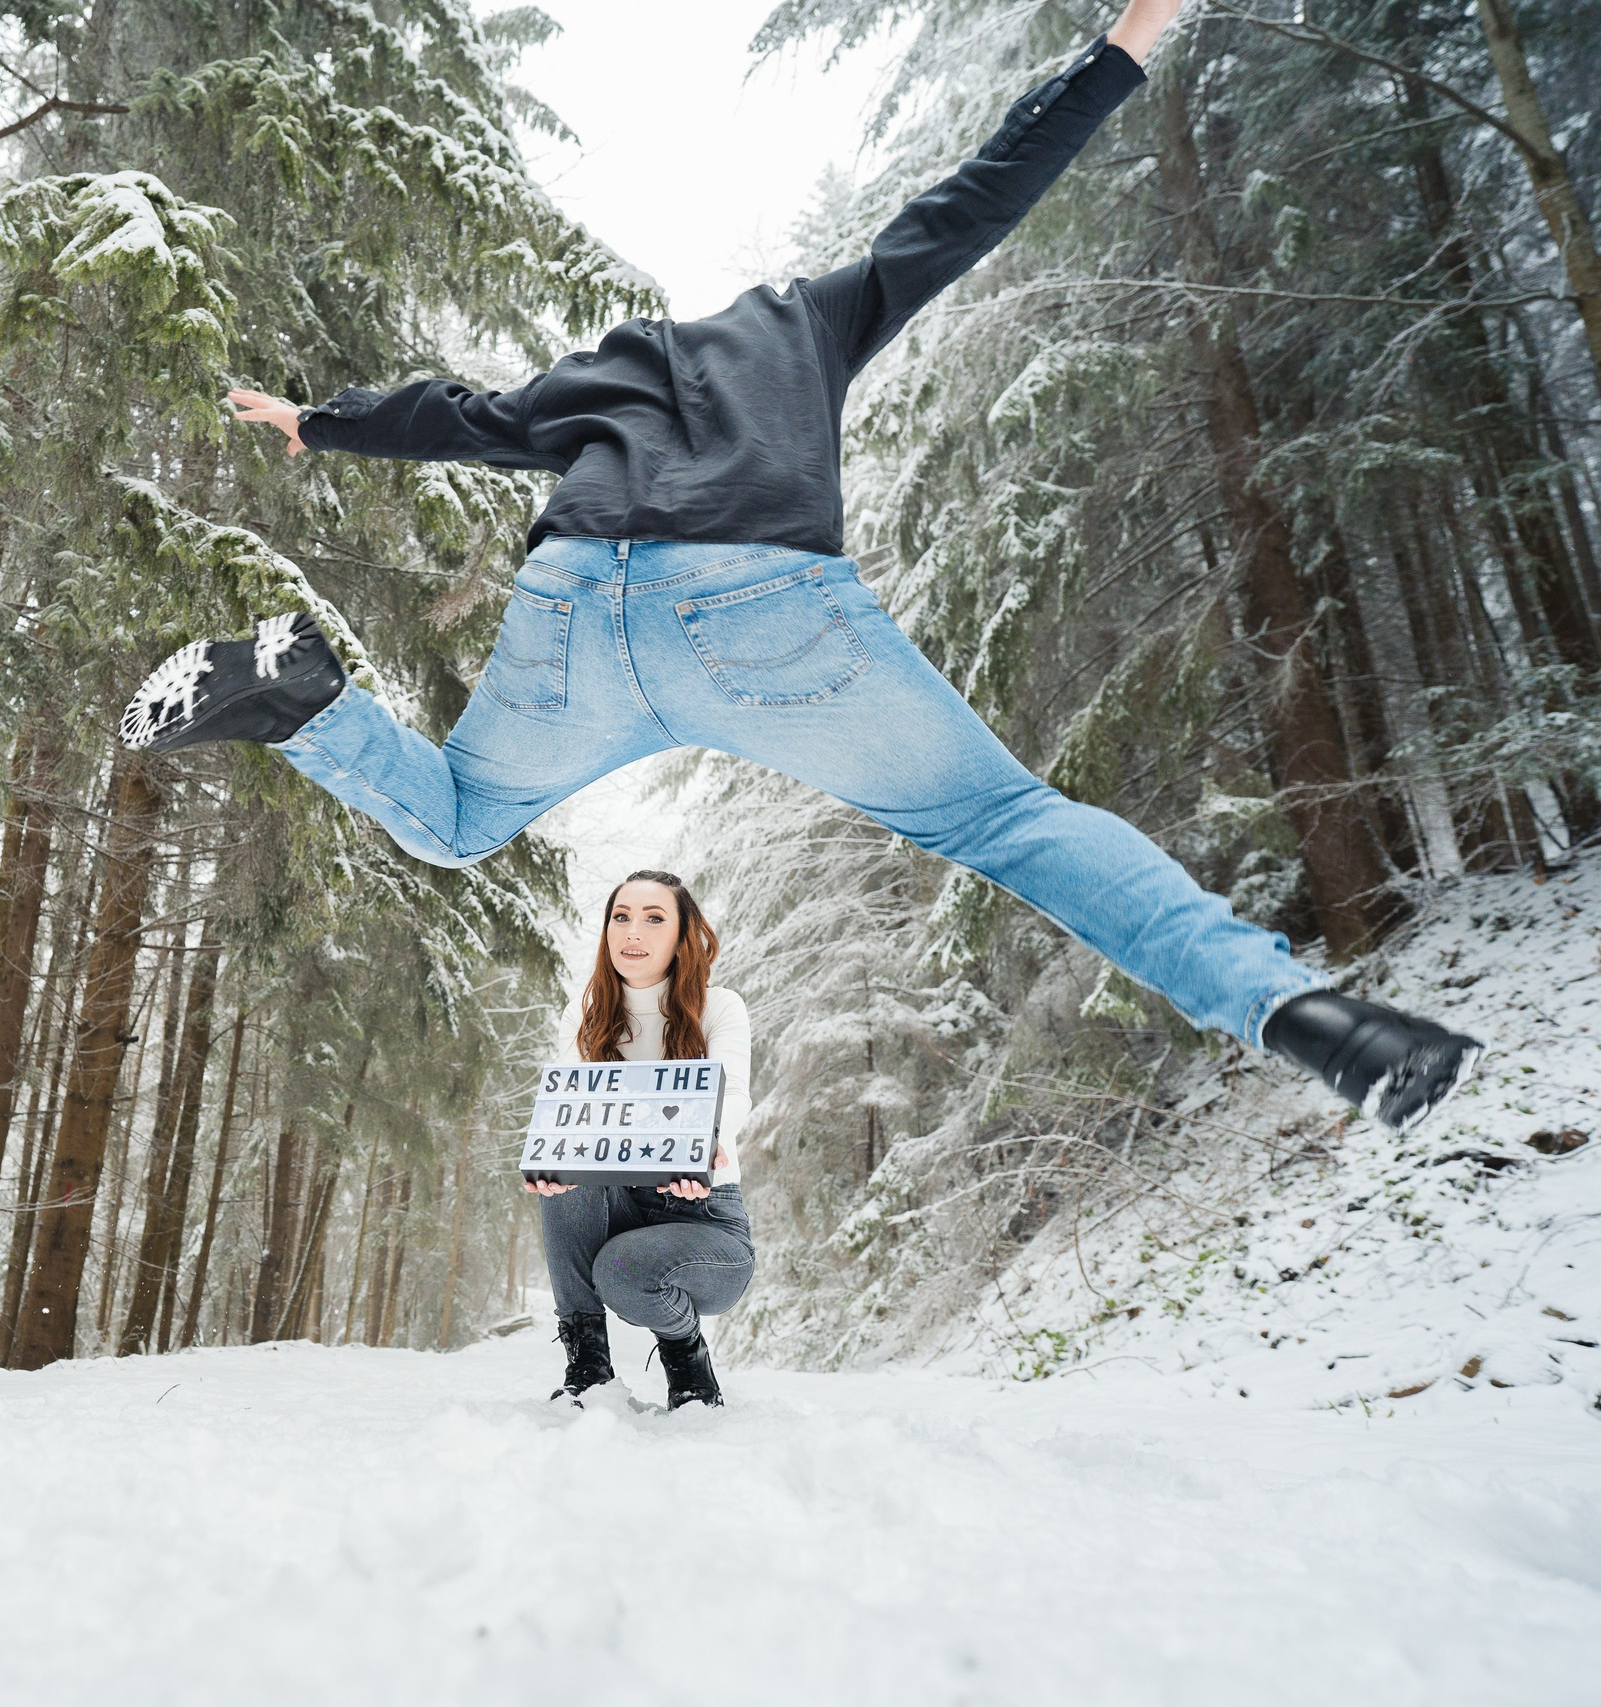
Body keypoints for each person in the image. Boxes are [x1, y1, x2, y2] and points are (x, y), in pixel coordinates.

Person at [119, 0, 1480, 1132]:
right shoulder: (806, 320)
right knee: (1008, 822)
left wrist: (317, 421)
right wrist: (1123, 47)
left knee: (461, 816)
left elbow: (453, 416)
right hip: (768, 609)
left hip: (578, 610)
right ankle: (1305, 1012)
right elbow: (973, 201)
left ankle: (302, 693)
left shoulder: (583, 388)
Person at [532, 871, 753, 1410]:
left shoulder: (719, 1006)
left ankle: (685, 1353)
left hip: (703, 1214)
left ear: (682, 937)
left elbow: (733, 1095)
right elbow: (575, 1113)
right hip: (617, 1198)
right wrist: (549, 1157)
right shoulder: (585, 1013)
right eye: (621, 917)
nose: (633, 931)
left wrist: (699, 1144)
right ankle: (588, 1363)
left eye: (654, 919)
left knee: (621, 1272)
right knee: (567, 1163)